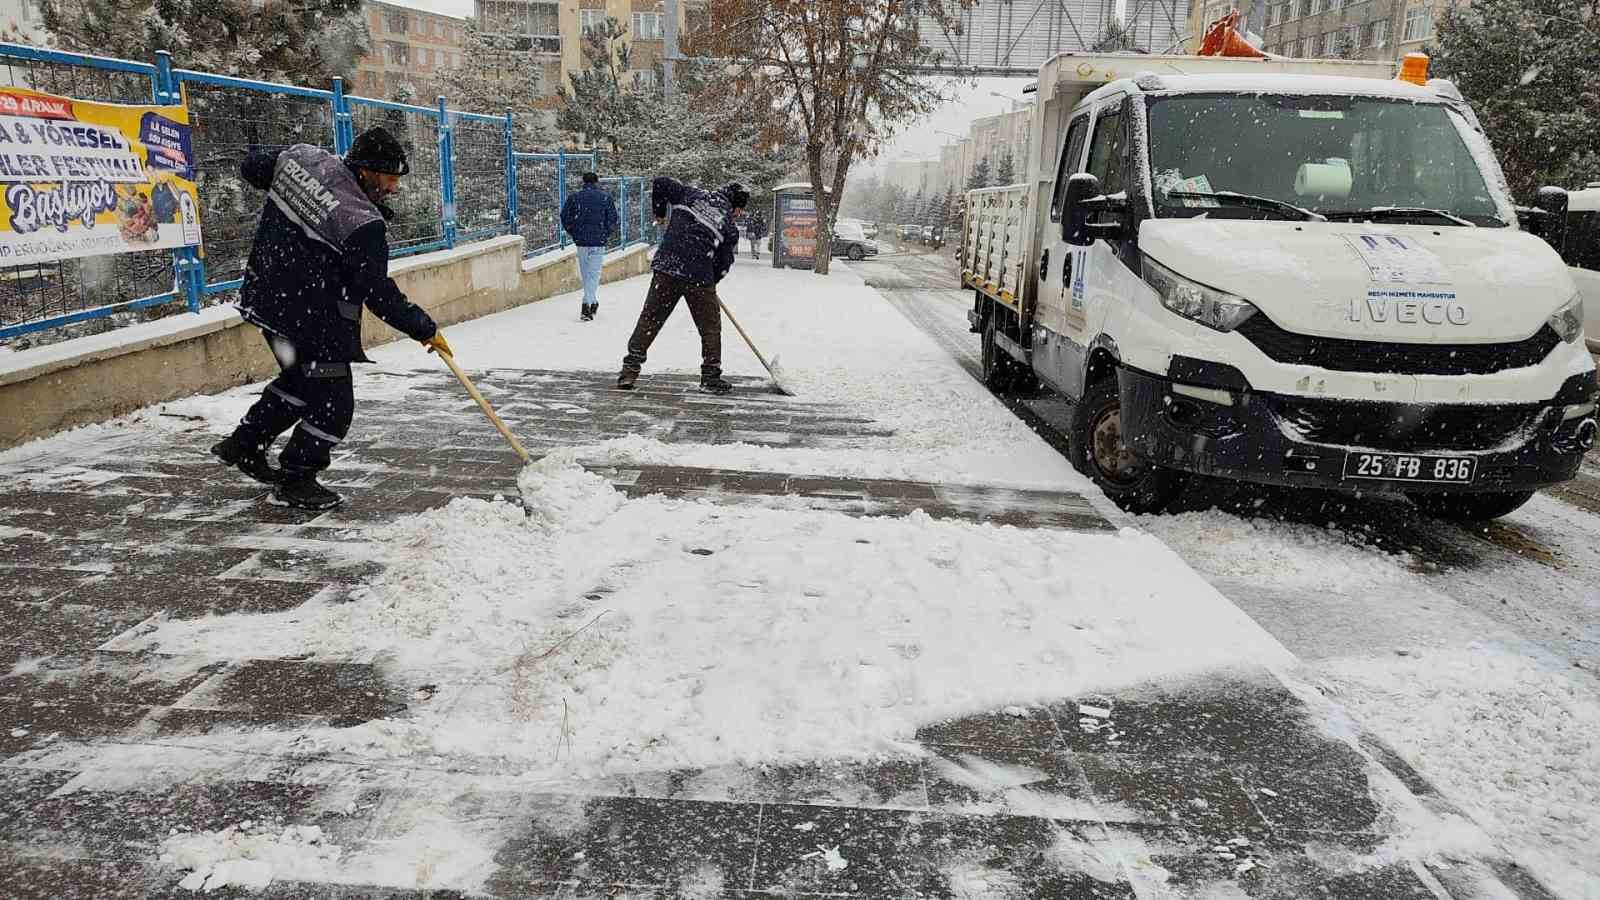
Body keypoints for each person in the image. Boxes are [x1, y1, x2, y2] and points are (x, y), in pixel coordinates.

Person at [210, 126, 449, 510]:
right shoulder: (361, 223)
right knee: (333, 405)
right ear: (368, 170)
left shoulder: (306, 163)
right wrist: (423, 327)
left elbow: (253, 166)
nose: (393, 188)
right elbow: (376, 291)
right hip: (312, 317)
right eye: (389, 178)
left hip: (267, 299)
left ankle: (244, 445)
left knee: (300, 382)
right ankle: (296, 478)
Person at [616, 178, 747, 394]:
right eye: (739, 211)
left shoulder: (690, 194)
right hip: (698, 276)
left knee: (650, 319)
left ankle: (629, 371)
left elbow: (660, 183)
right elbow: (724, 263)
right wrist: (710, 282)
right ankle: (710, 377)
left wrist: (659, 213)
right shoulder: (729, 227)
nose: (738, 215)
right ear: (736, 207)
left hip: (667, 268)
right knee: (710, 328)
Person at [560, 171, 619, 321]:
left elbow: (564, 216)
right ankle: (588, 305)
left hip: (582, 241)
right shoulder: (605, 198)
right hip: (598, 241)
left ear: (583, 182)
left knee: (586, 274)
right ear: (596, 182)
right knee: (593, 274)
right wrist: (605, 233)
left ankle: (590, 302)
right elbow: (613, 218)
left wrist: (574, 232)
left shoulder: (574, 198)